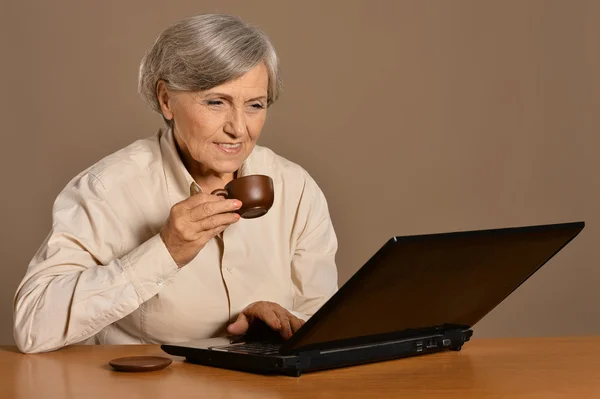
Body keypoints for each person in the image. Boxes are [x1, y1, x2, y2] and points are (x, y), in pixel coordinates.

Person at [13, 13, 338, 354]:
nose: (239, 129)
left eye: (255, 105)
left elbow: (322, 322)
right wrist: (164, 252)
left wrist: (278, 327)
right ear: (166, 100)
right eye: (216, 102)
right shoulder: (108, 188)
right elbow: (32, 325)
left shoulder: (296, 188)